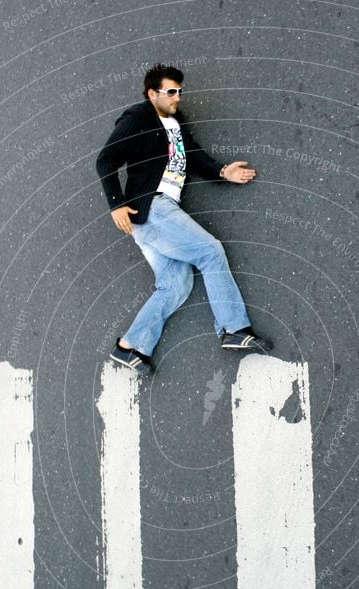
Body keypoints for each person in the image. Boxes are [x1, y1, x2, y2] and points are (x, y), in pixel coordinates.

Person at [95, 63, 271, 375]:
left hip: (157, 216)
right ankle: (233, 328)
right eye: (171, 91)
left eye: (180, 91)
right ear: (152, 94)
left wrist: (222, 171)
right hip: (152, 207)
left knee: (175, 285)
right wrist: (116, 203)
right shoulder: (138, 117)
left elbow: (194, 155)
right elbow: (106, 158)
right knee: (209, 250)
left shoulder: (176, 122)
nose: (178, 97)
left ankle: (130, 346)